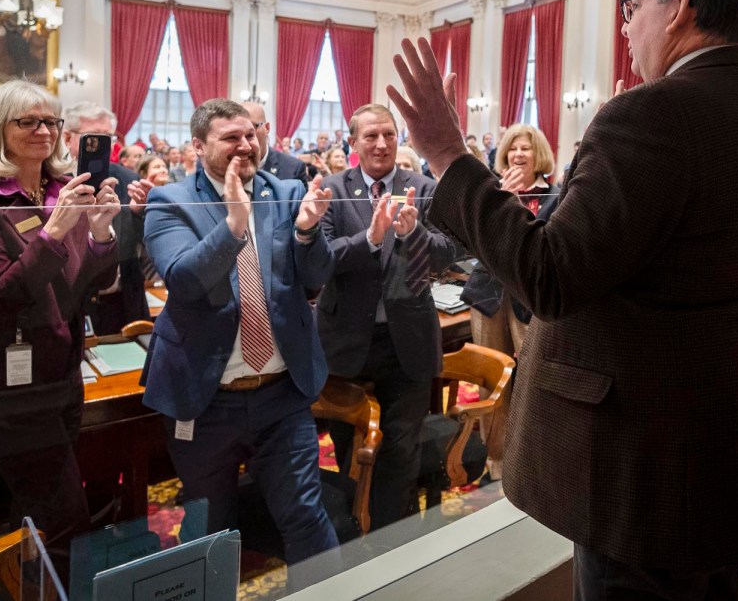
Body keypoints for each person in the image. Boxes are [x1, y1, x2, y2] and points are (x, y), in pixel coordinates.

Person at [389, 0, 738, 600]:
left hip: (642, 451)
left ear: (679, 7)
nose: (626, 25)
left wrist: (451, 157)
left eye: (633, 5)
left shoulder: (653, 112)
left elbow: (551, 275)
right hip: (716, 428)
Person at [140, 99, 339, 567]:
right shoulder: (170, 201)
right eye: (231, 137)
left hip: (281, 396)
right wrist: (233, 224)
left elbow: (315, 279)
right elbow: (185, 281)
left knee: (307, 516)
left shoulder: (286, 192)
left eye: (251, 135)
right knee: (211, 531)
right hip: (205, 400)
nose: (246, 145)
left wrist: (309, 232)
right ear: (198, 146)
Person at [0, 80, 121, 577]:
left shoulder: (64, 189)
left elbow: (89, 288)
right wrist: (55, 230)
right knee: (67, 520)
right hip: (3, 379)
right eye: (28, 121)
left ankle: (27, 583)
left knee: (43, 504)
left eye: (51, 121)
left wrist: (102, 234)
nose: (44, 131)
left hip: (61, 369)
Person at [317, 103, 456, 530]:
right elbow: (319, 260)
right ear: (353, 142)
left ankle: (391, 547)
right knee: (350, 450)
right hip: (345, 343)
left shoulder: (425, 188)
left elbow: (450, 252)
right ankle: (353, 528)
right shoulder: (332, 190)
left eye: (389, 135)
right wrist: (370, 239)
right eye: (371, 136)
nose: (381, 144)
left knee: (400, 453)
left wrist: (413, 234)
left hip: (407, 343)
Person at [460, 123, 560, 479]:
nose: (518, 154)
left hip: (529, 299)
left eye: (526, 149)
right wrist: (499, 199)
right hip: (488, 296)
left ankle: (534, 456)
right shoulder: (492, 190)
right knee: (491, 378)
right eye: (513, 148)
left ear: (539, 156)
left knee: (533, 379)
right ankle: (497, 461)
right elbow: (469, 242)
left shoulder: (556, 195)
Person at [63, 102, 151, 337]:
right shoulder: (54, 181)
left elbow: (147, 243)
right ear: (68, 138)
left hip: (123, 301)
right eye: (93, 138)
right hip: (71, 303)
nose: (101, 146)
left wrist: (140, 213)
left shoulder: (127, 178)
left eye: (108, 138)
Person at [239, 102, 311, 186]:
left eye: (252, 127)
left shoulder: (293, 168)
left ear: (267, 128)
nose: (244, 136)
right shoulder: (227, 165)